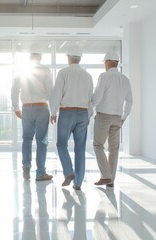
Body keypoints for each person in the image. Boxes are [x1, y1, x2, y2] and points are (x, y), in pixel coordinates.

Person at [50, 46, 93, 190]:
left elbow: (56, 94)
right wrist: (88, 115)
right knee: (80, 148)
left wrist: (53, 112)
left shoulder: (63, 73)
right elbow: (90, 98)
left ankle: (69, 172)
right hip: (82, 113)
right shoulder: (88, 76)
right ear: (80, 59)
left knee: (62, 144)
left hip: (66, 113)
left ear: (68, 58)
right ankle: (78, 183)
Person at [11, 45, 54, 181]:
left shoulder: (21, 70)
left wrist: (16, 108)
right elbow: (51, 92)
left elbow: (14, 90)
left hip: (26, 108)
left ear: (29, 57)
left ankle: (26, 166)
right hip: (41, 107)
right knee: (41, 141)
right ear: (40, 57)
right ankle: (40, 172)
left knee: (27, 139)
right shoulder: (45, 70)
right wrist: (53, 111)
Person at [92, 51, 133, 187]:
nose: (104, 65)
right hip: (117, 118)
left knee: (98, 145)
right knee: (114, 149)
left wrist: (90, 106)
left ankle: (106, 176)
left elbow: (97, 97)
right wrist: (123, 116)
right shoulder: (125, 79)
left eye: (104, 62)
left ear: (108, 62)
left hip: (104, 116)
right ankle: (111, 180)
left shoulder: (104, 76)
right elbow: (130, 101)